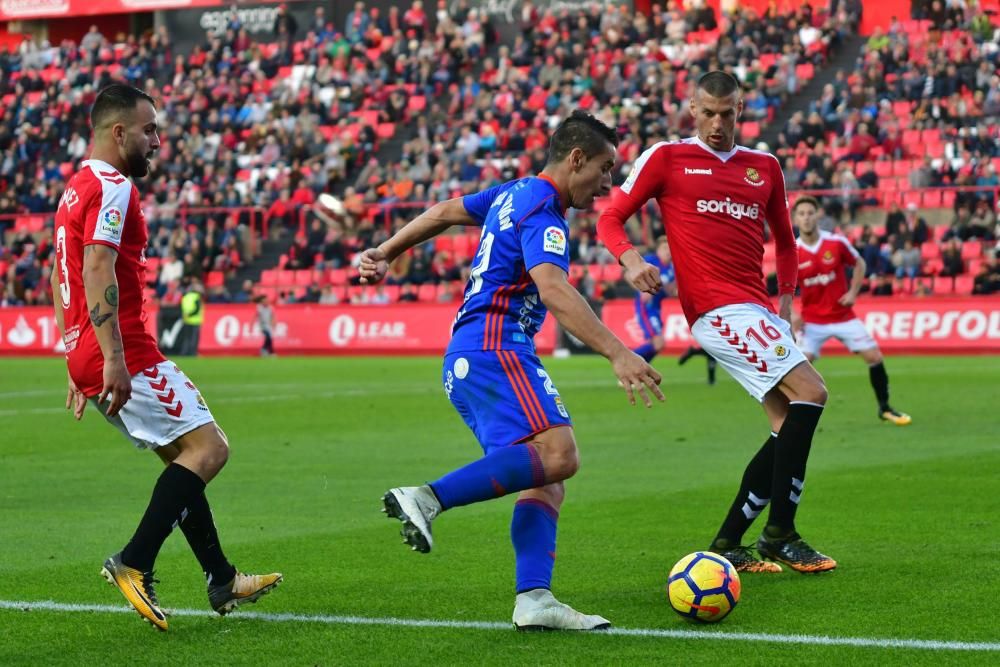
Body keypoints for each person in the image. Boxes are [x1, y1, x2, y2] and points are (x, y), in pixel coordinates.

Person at [358, 111, 664, 630]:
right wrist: (618, 352)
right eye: (606, 167)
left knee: (544, 476)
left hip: (468, 355)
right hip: (495, 346)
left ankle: (534, 599)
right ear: (576, 159)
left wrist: (385, 251)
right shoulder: (544, 212)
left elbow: (443, 211)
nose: (608, 182)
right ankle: (426, 498)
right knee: (559, 453)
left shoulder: (512, 192)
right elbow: (555, 290)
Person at [49, 84, 281, 632]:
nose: (157, 140)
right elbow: (98, 269)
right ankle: (134, 560)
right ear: (118, 132)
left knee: (182, 457)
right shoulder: (112, 188)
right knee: (209, 449)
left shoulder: (74, 189)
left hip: (89, 346)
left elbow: (63, 275)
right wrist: (111, 357)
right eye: (149, 129)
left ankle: (221, 576)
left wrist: (73, 354)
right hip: (122, 346)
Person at [596, 71, 836, 574]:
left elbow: (787, 244)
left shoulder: (764, 167)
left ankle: (729, 541)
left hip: (757, 307)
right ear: (692, 109)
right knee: (812, 392)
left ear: (741, 109)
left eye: (727, 113)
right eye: (708, 113)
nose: (717, 124)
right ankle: (781, 533)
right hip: (713, 308)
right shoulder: (667, 157)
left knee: (785, 422)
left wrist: (786, 304)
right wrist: (632, 260)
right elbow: (609, 217)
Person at [792, 196, 912, 425]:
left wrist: (854, 292)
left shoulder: (835, 243)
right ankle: (791, 417)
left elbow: (859, 263)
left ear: (818, 216)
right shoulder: (793, 251)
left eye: (810, 213)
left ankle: (885, 408)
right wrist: (791, 313)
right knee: (800, 368)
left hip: (842, 316)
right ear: (795, 218)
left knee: (874, 357)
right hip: (812, 321)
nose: (806, 218)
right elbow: (783, 285)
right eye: (802, 214)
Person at [630, 236, 717, 384]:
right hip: (646, 308)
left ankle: (638, 372)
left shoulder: (672, 268)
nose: (668, 252)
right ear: (658, 250)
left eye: (669, 249)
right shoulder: (650, 261)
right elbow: (628, 274)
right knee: (658, 343)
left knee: (658, 345)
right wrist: (641, 288)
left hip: (656, 309)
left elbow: (671, 290)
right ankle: (628, 359)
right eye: (664, 249)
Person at [180, 278, 204, 356]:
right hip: (195, 320)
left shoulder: (185, 297)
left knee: (186, 338)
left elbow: (182, 308)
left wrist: (186, 315)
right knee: (194, 339)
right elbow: (197, 309)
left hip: (186, 320)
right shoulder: (196, 297)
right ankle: (193, 353)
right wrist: (191, 315)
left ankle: (184, 353)